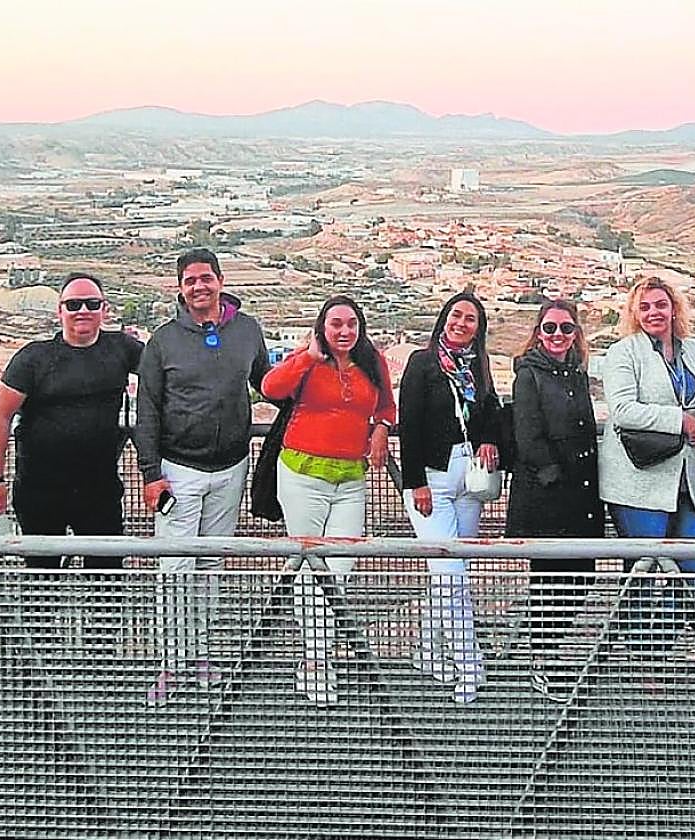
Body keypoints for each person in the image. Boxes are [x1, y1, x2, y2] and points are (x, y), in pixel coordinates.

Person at [134, 247, 271, 706]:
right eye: (190, 280)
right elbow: (147, 410)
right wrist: (151, 474)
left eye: (206, 278)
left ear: (220, 280)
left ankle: (201, 657)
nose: (199, 286)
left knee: (210, 568)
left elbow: (266, 383)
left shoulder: (247, 330)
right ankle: (171, 665)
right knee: (175, 571)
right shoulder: (163, 341)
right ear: (180, 288)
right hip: (178, 470)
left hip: (231, 468)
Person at [260, 295, 396, 706]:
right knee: (308, 568)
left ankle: (319, 653)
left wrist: (381, 428)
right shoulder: (307, 359)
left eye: (351, 324)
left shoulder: (373, 363)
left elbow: (387, 405)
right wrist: (308, 355)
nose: (344, 331)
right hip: (302, 476)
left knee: (338, 568)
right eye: (335, 323)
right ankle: (316, 661)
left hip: (351, 480)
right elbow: (270, 388)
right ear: (323, 326)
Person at [0, 272, 143, 569]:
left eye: (92, 303)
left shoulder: (123, 349)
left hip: (99, 491)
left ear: (104, 309)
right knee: (42, 580)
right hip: (39, 491)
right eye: (73, 304)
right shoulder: (32, 359)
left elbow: (170, 374)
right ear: (59, 311)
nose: (83, 310)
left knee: (106, 581)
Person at [598, 276, 695, 659]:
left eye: (660, 305)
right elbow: (623, 409)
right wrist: (679, 420)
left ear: (674, 308)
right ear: (634, 313)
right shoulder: (623, 352)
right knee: (642, 572)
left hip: (685, 476)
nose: (653, 313)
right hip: (638, 478)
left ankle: (660, 641)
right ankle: (643, 656)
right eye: (644, 307)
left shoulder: (692, 351)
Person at [398, 291, 500, 704]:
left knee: (452, 575)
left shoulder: (480, 367)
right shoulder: (422, 364)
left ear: (479, 328)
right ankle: (469, 663)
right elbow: (411, 425)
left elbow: (491, 412)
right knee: (449, 577)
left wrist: (490, 440)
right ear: (443, 319)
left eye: (470, 319)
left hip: (469, 483)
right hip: (432, 483)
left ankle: (429, 650)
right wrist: (415, 481)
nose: (461, 323)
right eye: (456, 315)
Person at [504, 301, 604, 702]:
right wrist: (554, 478)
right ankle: (539, 662)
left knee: (580, 577)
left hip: (580, 496)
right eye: (550, 328)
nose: (558, 335)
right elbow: (528, 436)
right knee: (551, 582)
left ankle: (538, 654)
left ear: (576, 333)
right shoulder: (528, 375)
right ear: (538, 333)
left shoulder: (576, 374)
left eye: (566, 328)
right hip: (549, 498)